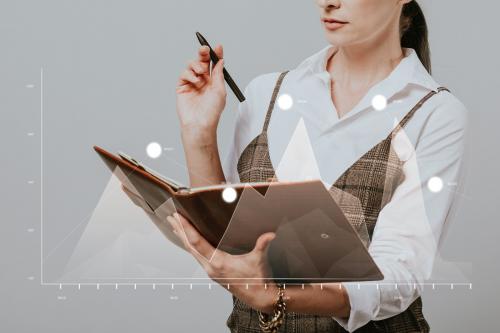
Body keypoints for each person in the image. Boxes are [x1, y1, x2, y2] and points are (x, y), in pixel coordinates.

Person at [163, 0, 469, 332]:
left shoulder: (435, 113)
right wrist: (198, 134)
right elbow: (230, 242)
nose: (327, 2)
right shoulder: (265, 93)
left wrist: (276, 296)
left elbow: (398, 275)